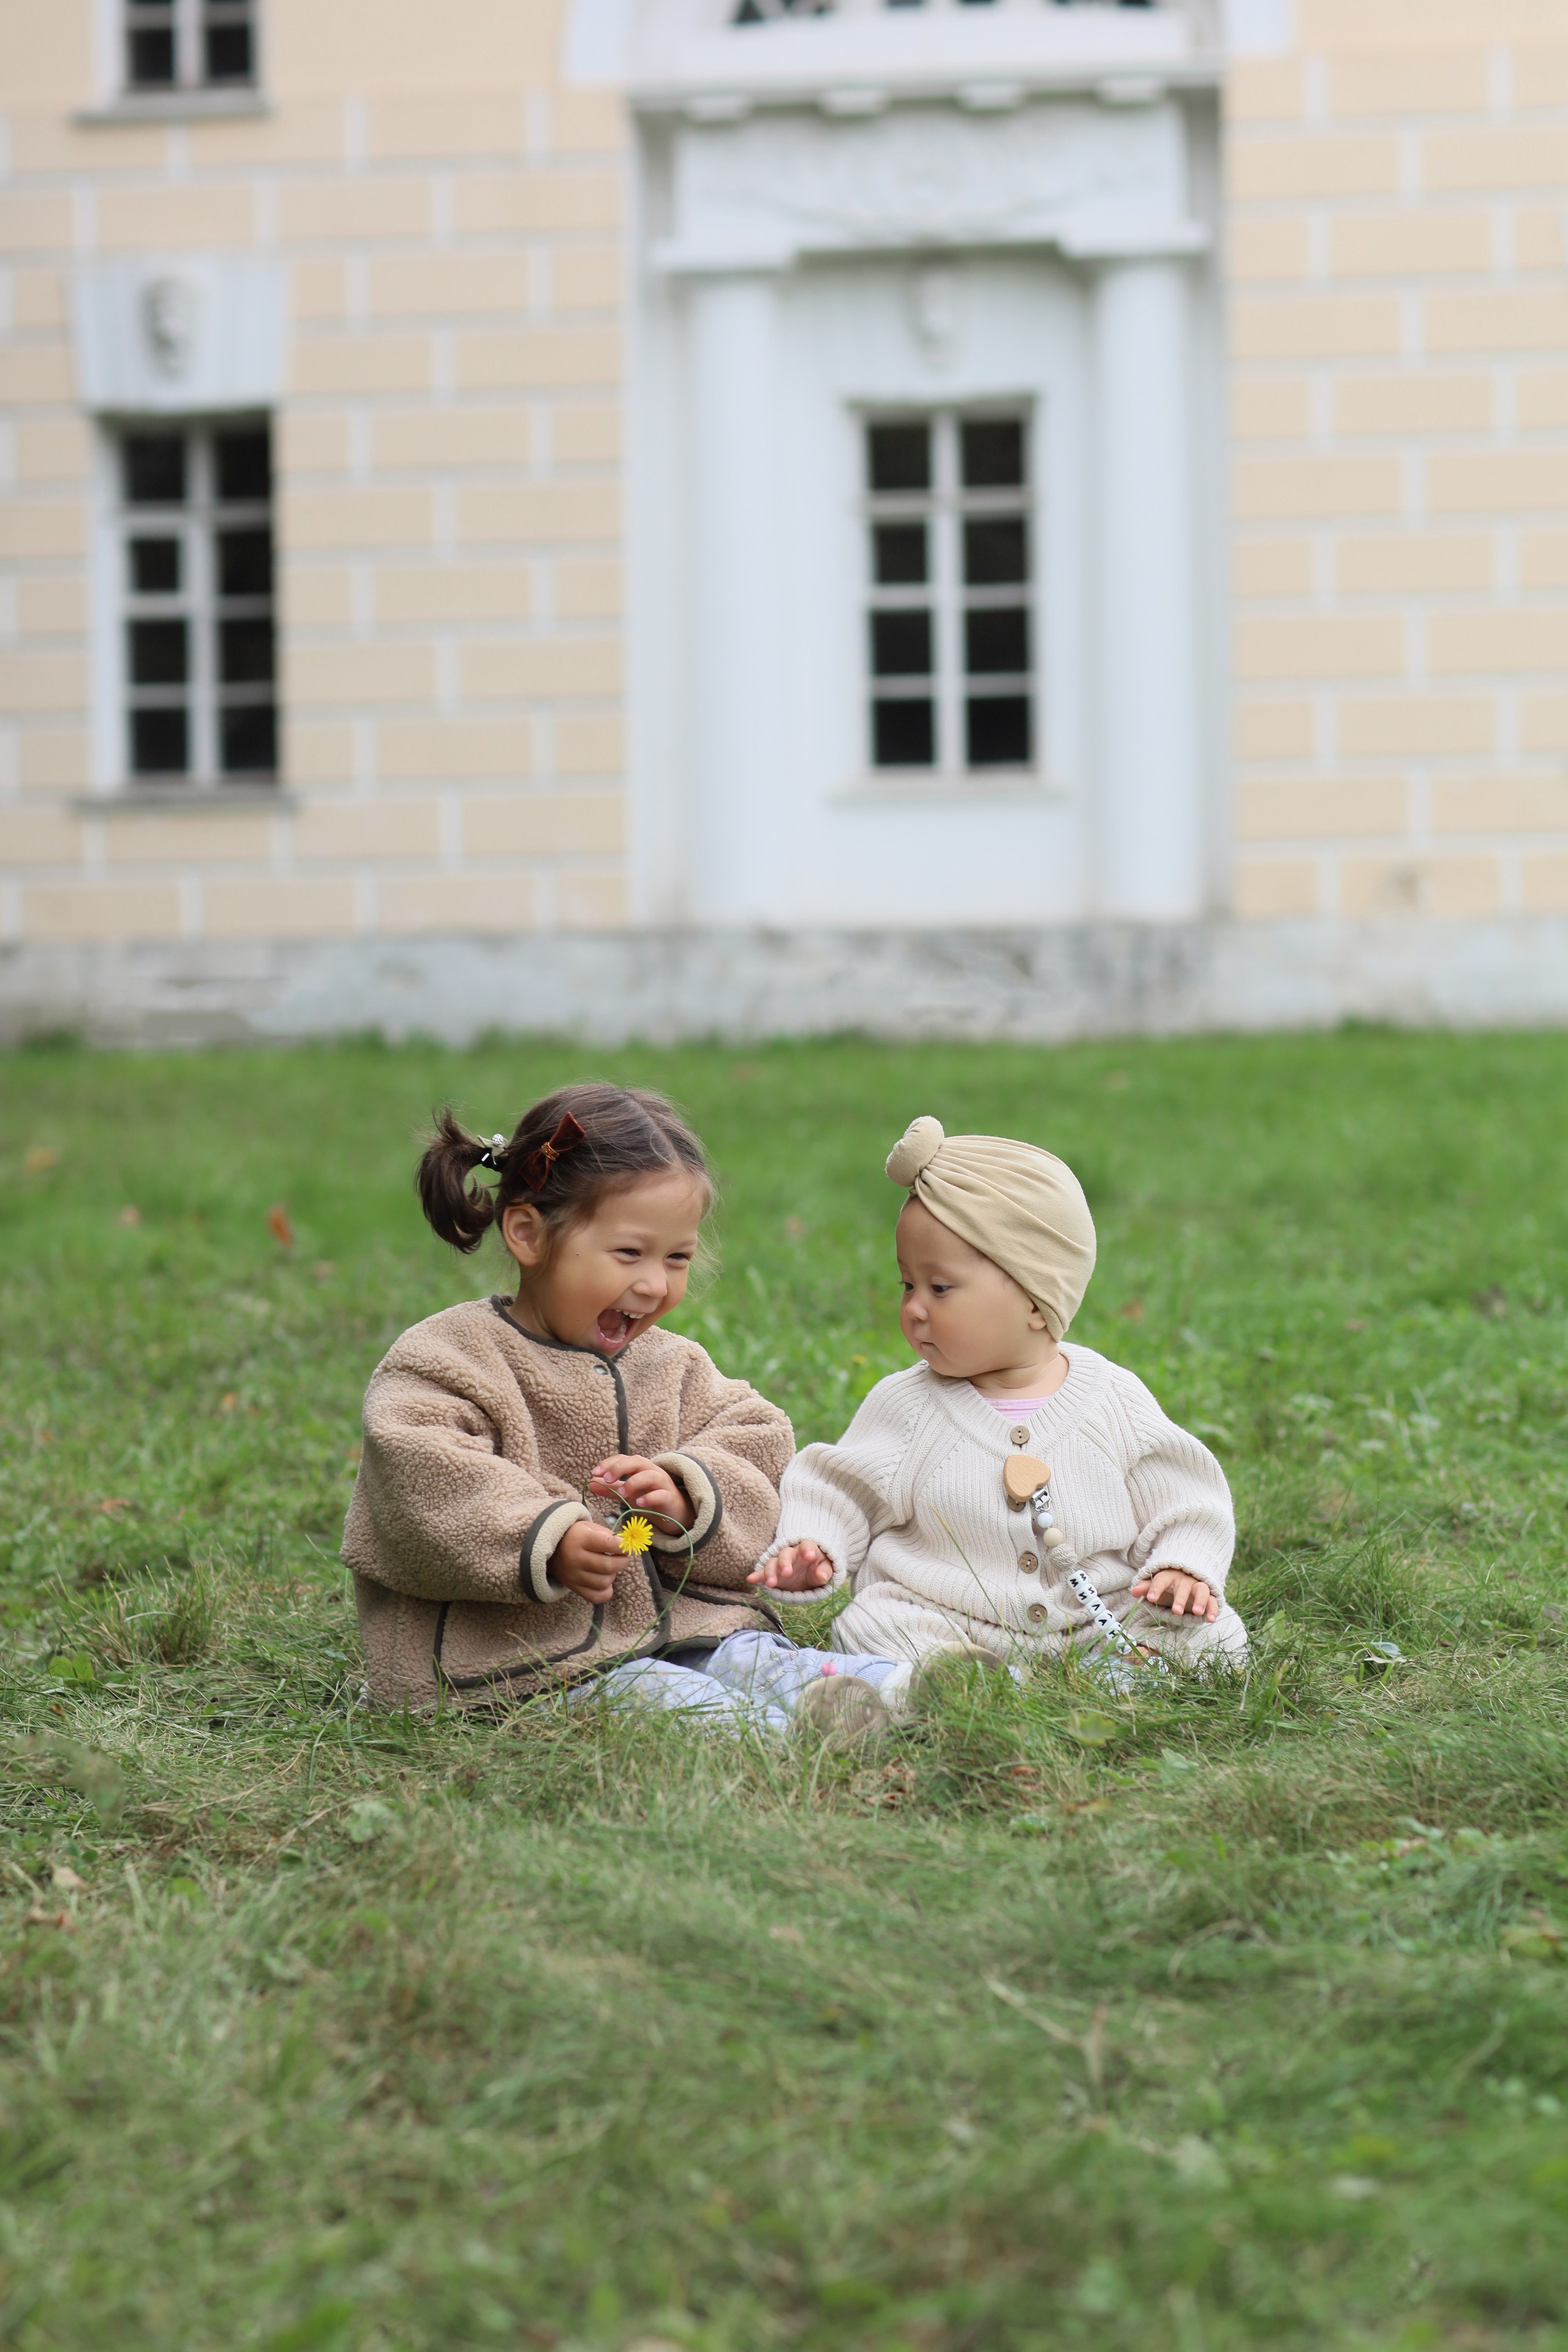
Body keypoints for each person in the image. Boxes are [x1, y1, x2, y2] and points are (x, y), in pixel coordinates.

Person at [342, 1081, 902, 1738]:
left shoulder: (673, 1365)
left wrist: (689, 1491)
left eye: (678, 1258)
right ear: (527, 1233)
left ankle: (911, 1689)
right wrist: (545, 1537)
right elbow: (422, 1476)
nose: (654, 1284)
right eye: (629, 1253)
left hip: (688, 1628)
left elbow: (756, 1436)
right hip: (523, 1663)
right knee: (657, 1697)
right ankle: (791, 1734)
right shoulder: (450, 1358)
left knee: (757, 1658)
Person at [750, 1115, 1248, 1692]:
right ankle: (967, 1682)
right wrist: (815, 1544)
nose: (914, 1308)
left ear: (1037, 1301)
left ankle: (1111, 1677)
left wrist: (1182, 1567)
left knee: (1214, 1638)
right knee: (875, 1623)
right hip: (947, 1619)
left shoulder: (1112, 1399)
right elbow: (841, 1487)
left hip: (1093, 1621)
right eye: (907, 1284)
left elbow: (1187, 1497)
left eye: (939, 1288)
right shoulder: (907, 1405)